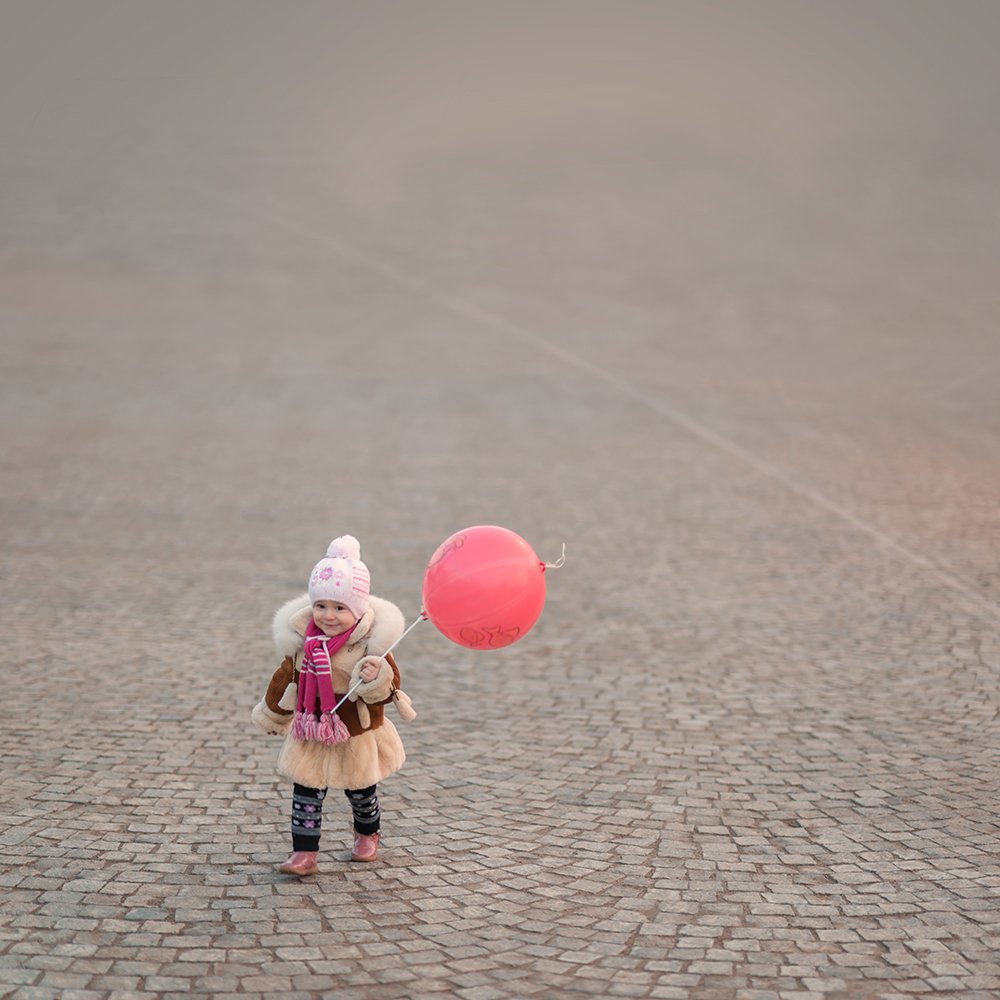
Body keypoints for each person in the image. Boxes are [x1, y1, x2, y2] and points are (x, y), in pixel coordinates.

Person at [252, 535, 416, 876]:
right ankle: (304, 852)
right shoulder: (303, 642)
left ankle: (367, 834)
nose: (328, 615)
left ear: (356, 610)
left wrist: (375, 677)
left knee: (362, 791)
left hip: (354, 731)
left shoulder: (369, 646)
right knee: (306, 792)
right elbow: (286, 680)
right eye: (321, 606)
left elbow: (389, 689)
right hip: (311, 728)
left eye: (340, 608)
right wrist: (274, 715)